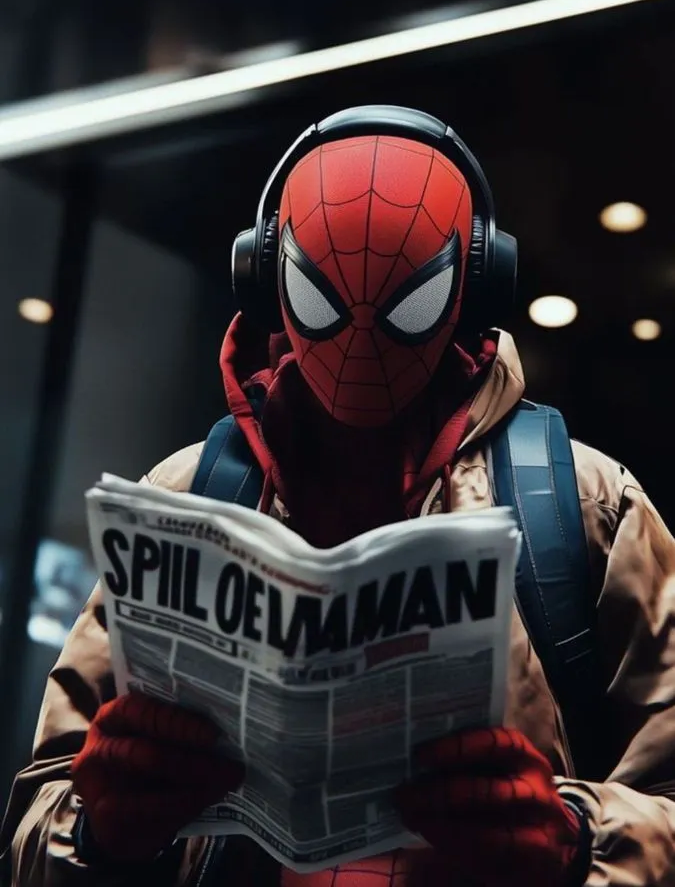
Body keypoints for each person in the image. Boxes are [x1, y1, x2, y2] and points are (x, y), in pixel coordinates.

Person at [3, 104, 675, 887]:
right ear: (265, 272)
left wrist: (571, 838)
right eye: (324, 297)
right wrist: (100, 826)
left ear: (474, 280)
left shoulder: (584, 505)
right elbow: (35, 824)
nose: (360, 343)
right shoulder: (188, 499)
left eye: (404, 303)